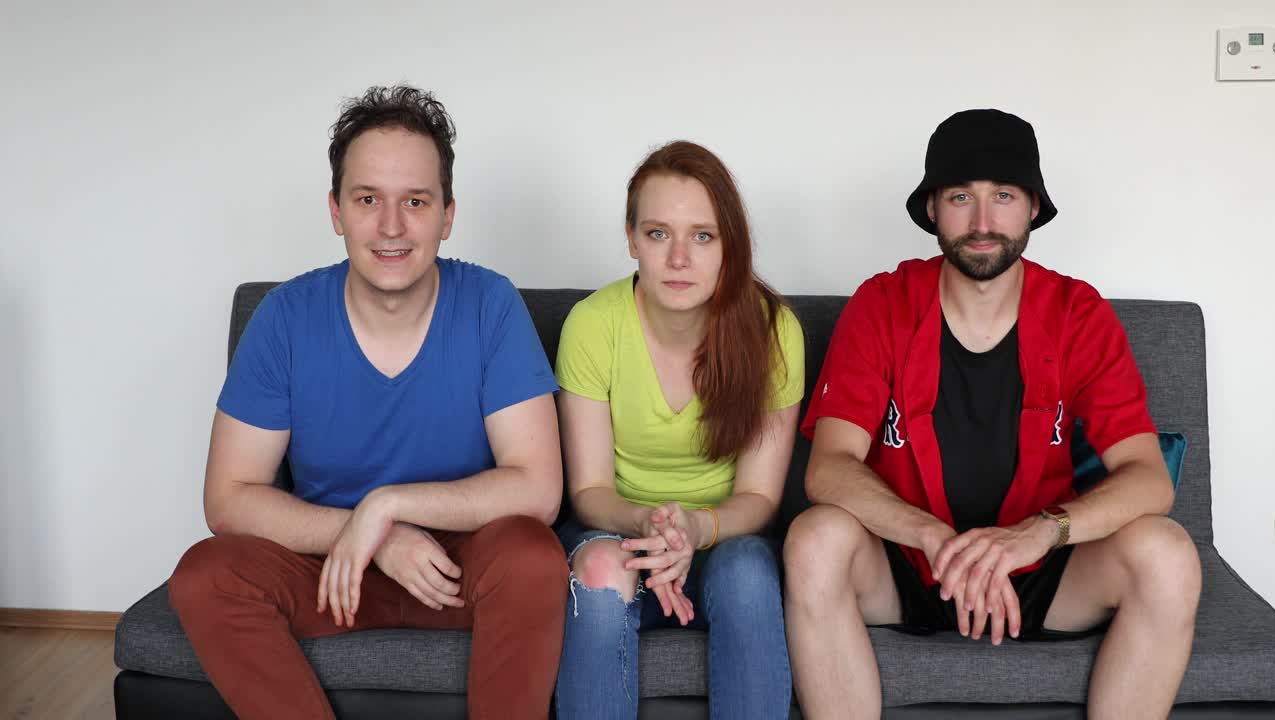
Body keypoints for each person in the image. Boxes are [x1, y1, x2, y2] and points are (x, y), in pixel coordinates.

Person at [166, 85, 567, 720]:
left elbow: (538, 489)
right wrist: (373, 536)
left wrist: (388, 506)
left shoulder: (491, 305)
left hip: (458, 570)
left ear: (447, 215)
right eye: (368, 199)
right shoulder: (284, 317)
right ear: (336, 211)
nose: (391, 226)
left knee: (532, 556)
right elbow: (228, 497)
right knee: (205, 575)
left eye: (416, 201)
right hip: (331, 568)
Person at [784, 109, 1201, 719]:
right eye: (961, 197)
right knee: (814, 538)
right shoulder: (882, 303)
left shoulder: (1078, 313)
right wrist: (932, 537)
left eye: (1003, 196)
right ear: (932, 208)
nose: (982, 222)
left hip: (1043, 570)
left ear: (1033, 207)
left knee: (1167, 552)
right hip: (905, 563)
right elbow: (829, 468)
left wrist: (1037, 533)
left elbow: (1148, 479)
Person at [552, 141, 803, 719]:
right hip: (619, 530)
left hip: (724, 538)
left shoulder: (773, 331)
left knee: (747, 577)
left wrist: (692, 528)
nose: (679, 258)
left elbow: (760, 497)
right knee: (600, 569)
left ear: (729, 244)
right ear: (631, 238)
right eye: (659, 234)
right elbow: (589, 490)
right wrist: (649, 525)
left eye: (703, 236)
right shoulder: (592, 325)